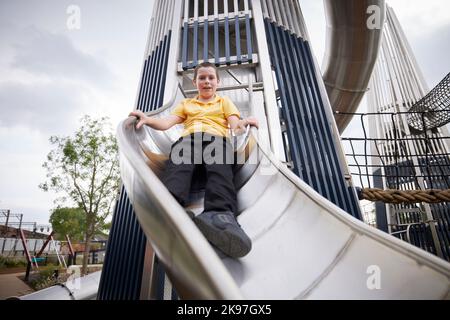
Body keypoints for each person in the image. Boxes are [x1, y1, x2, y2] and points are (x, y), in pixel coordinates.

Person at [129, 62, 258, 258]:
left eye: (211, 78)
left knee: (220, 168)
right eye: (202, 78)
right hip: (190, 139)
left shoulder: (224, 102)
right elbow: (166, 123)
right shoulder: (186, 104)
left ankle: (219, 216)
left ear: (218, 82)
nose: (207, 82)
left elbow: (235, 126)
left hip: (217, 139)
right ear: (195, 82)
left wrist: (245, 123)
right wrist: (148, 119)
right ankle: (170, 209)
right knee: (179, 163)